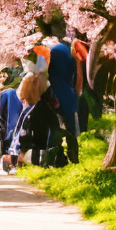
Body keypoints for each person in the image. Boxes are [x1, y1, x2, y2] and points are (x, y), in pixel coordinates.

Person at [47, 35, 81, 164]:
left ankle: (57, 156)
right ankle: (74, 156)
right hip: (69, 94)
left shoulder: (53, 53)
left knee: (55, 126)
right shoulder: (71, 54)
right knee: (71, 127)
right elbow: (75, 73)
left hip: (55, 95)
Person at [12, 72, 58, 166]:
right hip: (36, 149)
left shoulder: (28, 111)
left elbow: (18, 135)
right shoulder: (44, 110)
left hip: (28, 150)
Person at [0, 72, 27, 172]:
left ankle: (9, 158)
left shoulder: (5, 94)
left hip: (8, 128)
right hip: (22, 127)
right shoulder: (21, 93)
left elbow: (0, 113)